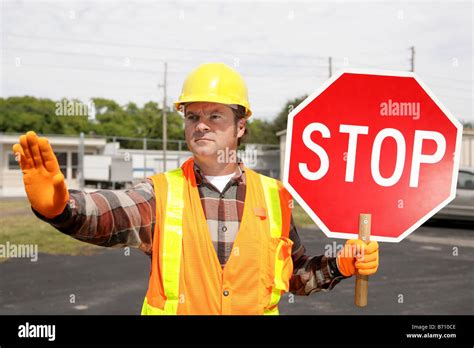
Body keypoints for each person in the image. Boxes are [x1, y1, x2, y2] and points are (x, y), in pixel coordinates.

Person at [12, 62, 379, 315]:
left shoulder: (274, 197)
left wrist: (341, 264)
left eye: (215, 115)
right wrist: (60, 207)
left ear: (240, 127)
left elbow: (294, 275)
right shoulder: (160, 194)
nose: (201, 125)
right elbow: (110, 211)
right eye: (192, 116)